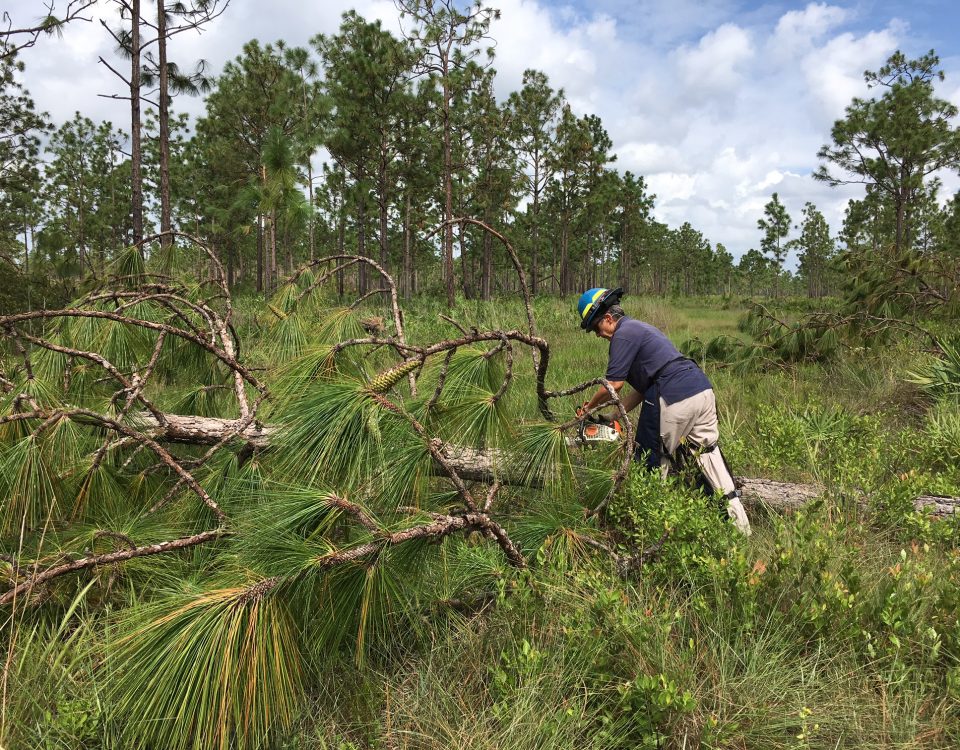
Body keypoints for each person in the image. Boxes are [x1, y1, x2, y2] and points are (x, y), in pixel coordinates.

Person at [574, 287, 751, 535]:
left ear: (608, 318)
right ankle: (740, 530)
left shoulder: (623, 335)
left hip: (672, 394)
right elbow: (644, 390)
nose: (597, 335)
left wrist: (587, 409)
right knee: (709, 456)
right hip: (700, 389)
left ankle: (652, 537)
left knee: (650, 465)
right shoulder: (641, 329)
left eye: (595, 328)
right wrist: (612, 416)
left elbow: (613, 384)